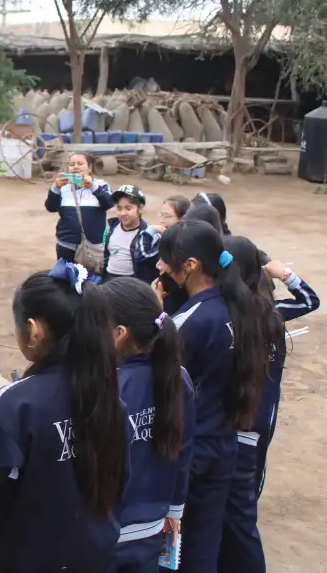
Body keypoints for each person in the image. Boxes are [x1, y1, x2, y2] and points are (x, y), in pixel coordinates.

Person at [0, 259, 129, 573]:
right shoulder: (110, 398)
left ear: (34, 330)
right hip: (98, 556)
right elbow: (121, 480)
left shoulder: (16, 405)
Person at [153, 220, 269, 573]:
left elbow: (159, 382)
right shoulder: (241, 309)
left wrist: (154, 312)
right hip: (224, 442)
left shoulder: (188, 321)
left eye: (165, 259)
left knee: (173, 547)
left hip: (189, 453)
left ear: (189, 266)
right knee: (203, 546)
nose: (159, 266)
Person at [217, 237, 319, 573]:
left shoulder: (259, 315)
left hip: (253, 421)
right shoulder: (256, 313)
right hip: (248, 419)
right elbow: (309, 299)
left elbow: (311, 301)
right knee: (236, 500)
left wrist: (282, 273)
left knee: (243, 502)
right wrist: (284, 274)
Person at [100, 277, 195, 573]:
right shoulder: (178, 378)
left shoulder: (109, 388)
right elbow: (184, 449)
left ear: (118, 333)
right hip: (153, 526)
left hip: (109, 531)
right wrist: (175, 509)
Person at [45, 153, 115, 263]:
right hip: (66, 243)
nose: (75, 166)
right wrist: (55, 188)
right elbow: (51, 207)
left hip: (93, 244)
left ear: (90, 167)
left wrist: (93, 187)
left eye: (80, 163)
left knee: (93, 277)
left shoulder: (101, 184)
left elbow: (109, 203)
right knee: (65, 276)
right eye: (72, 164)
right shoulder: (62, 187)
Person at [101, 185, 160, 283]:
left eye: (128, 208)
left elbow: (151, 265)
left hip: (133, 284)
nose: (123, 213)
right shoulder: (112, 227)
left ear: (140, 208)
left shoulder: (148, 234)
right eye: (119, 208)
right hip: (109, 279)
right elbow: (107, 254)